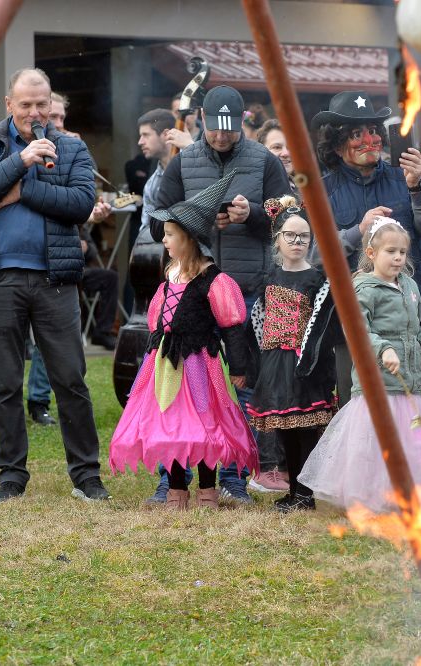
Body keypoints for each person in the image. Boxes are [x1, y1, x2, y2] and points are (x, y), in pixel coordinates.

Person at [0, 67, 110, 503]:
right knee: (5, 382)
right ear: (10, 105)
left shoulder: (72, 148)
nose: (35, 113)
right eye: (26, 105)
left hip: (54, 280)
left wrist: (22, 192)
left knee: (71, 379)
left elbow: (80, 205)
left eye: (42, 104)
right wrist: (19, 163)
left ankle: (86, 476)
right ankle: (11, 476)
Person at [150, 84, 293, 506]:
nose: (221, 137)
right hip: (193, 289)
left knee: (240, 384)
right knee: (176, 383)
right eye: (214, 130)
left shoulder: (265, 161)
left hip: (247, 289)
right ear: (203, 122)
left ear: (242, 124)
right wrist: (195, 220)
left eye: (229, 131)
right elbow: (160, 222)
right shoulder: (183, 162)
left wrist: (253, 217)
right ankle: (171, 479)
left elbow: (288, 222)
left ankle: (231, 476)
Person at [109, 170, 259, 509]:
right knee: (172, 422)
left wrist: (238, 366)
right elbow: (157, 323)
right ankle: (176, 490)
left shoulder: (213, 280)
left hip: (199, 363)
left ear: (188, 239)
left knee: (202, 423)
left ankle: (208, 490)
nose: (164, 240)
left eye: (171, 235)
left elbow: (233, 326)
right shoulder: (169, 275)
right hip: (165, 365)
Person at [298, 218, 421, 512]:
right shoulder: (364, 289)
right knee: (375, 446)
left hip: (408, 384)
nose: (398, 258)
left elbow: (412, 328)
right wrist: (383, 350)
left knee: (408, 443)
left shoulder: (410, 287)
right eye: (391, 251)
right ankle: (369, 499)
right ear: (371, 253)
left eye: (403, 252)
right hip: (377, 385)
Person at [312, 90, 421, 404]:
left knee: (414, 404)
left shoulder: (404, 178)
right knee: (360, 404)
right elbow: (315, 256)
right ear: (337, 143)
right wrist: (358, 231)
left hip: (410, 316)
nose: (368, 139)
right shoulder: (323, 191)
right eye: (356, 134)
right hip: (355, 321)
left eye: (373, 131)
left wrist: (417, 186)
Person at [244, 196, 340, 512]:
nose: (297, 242)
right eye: (290, 235)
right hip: (275, 362)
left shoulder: (317, 280)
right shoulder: (269, 277)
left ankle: (305, 492)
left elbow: (323, 326)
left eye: (303, 236)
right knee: (284, 427)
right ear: (278, 239)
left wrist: (311, 359)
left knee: (305, 429)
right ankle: (293, 490)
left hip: (304, 364)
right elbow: (257, 320)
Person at [80, 202, 120, 350]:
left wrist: (86, 247)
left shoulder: (78, 222)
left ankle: (102, 331)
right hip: (59, 272)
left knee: (110, 277)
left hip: (81, 270)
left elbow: (93, 251)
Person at [136, 108, 178, 233]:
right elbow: (145, 230)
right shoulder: (151, 185)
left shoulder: (191, 169)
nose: (140, 142)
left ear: (165, 134)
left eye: (146, 135)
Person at [256, 119, 295, 192]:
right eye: (277, 147)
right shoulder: (252, 191)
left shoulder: (307, 190)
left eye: (291, 147)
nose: (286, 153)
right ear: (261, 151)